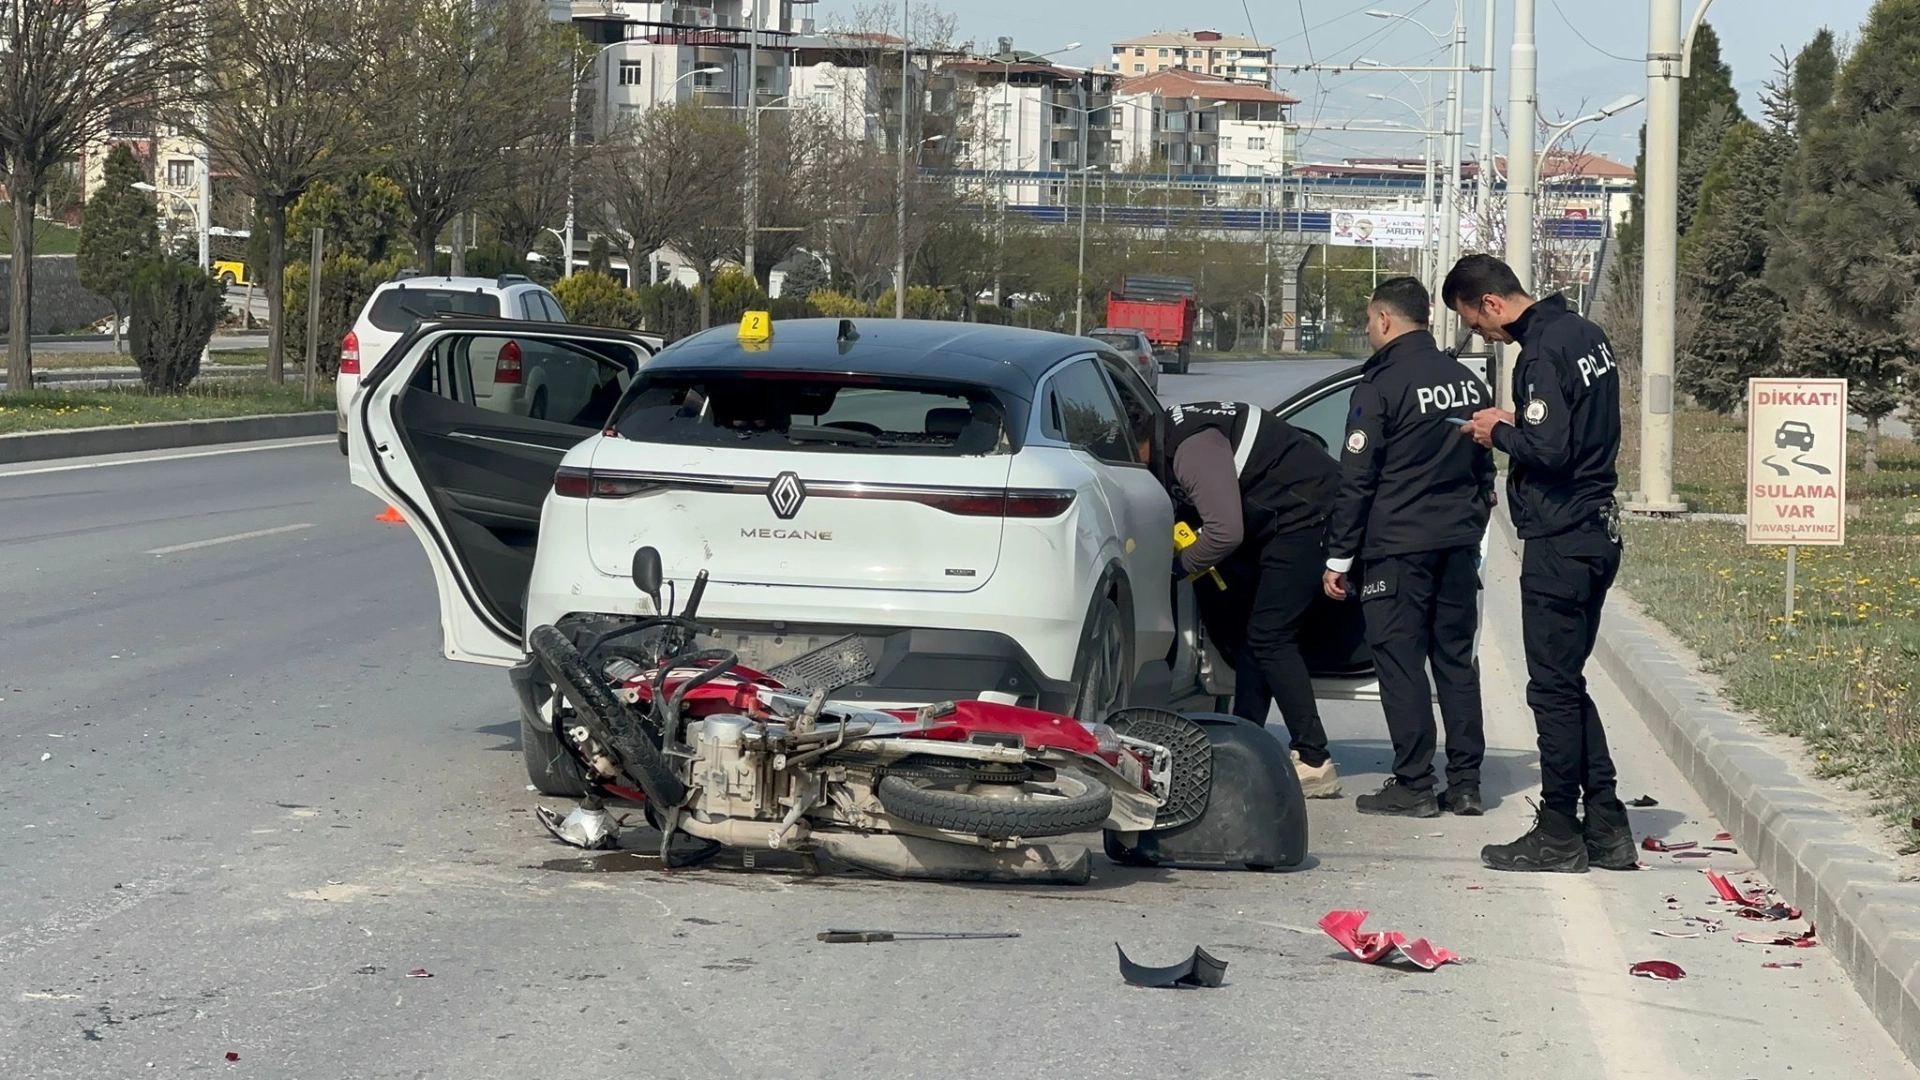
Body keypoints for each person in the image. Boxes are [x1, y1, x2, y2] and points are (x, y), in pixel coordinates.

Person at [1443, 252, 1634, 873]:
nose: (1480, 335)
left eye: (1474, 322)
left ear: (1490, 303)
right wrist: (1517, 420)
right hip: (1597, 529)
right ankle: (1606, 825)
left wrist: (1496, 433)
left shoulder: (1541, 353)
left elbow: (1549, 451)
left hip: (1561, 538)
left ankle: (1557, 832)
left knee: (1550, 690)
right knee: (1566, 683)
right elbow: (1576, 428)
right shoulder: (1584, 333)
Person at [1322, 276, 1495, 819]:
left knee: (1400, 664)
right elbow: (1485, 468)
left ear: (1384, 320)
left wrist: (1338, 557)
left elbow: (1357, 478)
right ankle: (1465, 784)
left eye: (1369, 321)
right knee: (1455, 662)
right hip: (1457, 544)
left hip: (1397, 548)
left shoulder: (1380, 385)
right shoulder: (1466, 382)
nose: (1369, 330)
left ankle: (1415, 783)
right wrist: (1469, 525)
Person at [1126, 396, 1344, 798]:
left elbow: (1225, 532)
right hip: (1285, 518)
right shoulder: (1175, 430)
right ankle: (1245, 743)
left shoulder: (1190, 449)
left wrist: (1178, 567)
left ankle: (1315, 759)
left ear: (1137, 439)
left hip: (1312, 516)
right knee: (1253, 640)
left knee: (1271, 637)